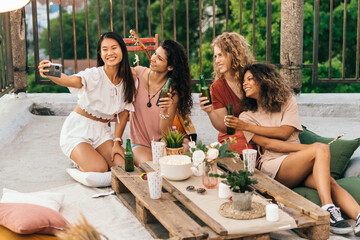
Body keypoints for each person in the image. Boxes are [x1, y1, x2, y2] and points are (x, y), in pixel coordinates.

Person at [225, 63, 360, 236]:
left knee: (330, 182)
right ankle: (328, 209)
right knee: (320, 149)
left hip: (299, 163)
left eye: (250, 79)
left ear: (264, 80)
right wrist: (309, 148)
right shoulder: (245, 117)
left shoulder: (287, 101)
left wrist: (307, 150)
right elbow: (271, 145)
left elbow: (285, 132)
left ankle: (358, 215)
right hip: (275, 167)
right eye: (244, 81)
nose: (245, 84)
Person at [38, 32, 136, 172]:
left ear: (122, 50)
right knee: (99, 168)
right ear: (100, 54)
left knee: (121, 167)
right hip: (78, 129)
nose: (110, 53)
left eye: (114, 48)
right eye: (105, 49)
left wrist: (117, 141)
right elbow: (70, 80)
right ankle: (78, 160)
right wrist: (50, 71)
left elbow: (123, 112)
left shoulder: (129, 80)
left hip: (102, 132)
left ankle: (89, 156)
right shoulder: (94, 75)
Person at [130, 39, 193, 166]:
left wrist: (164, 112)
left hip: (162, 143)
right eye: (154, 54)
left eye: (159, 58)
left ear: (170, 67)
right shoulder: (137, 73)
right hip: (140, 144)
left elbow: (165, 133)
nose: (152, 59)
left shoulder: (172, 90)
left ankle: (185, 146)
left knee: (170, 166)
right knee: (151, 166)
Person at [199, 32, 256, 154]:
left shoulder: (253, 76)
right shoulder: (217, 87)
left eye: (221, 55)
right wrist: (210, 111)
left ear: (234, 54)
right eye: (215, 56)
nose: (217, 60)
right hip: (233, 135)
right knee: (248, 150)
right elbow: (224, 127)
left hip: (257, 130)